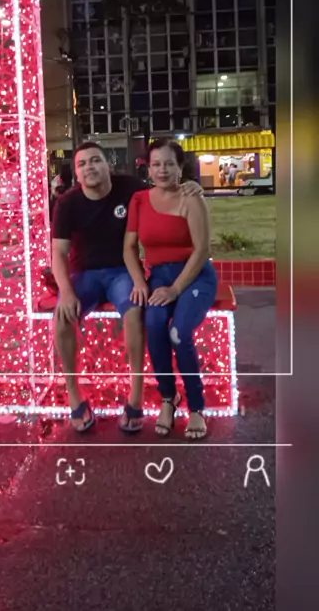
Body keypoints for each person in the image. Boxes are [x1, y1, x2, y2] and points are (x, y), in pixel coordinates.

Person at [52, 141, 202, 434]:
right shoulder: (67, 204)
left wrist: (190, 186)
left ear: (108, 165)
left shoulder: (130, 188)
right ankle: (74, 397)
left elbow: (165, 188)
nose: (89, 167)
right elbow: (58, 253)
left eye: (95, 160)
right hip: (84, 274)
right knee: (62, 317)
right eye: (82, 164)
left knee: (135, 312)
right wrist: (66, 291)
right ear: (76, 174)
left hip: (122, 272)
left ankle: (135, 398)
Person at [123, 138, 217, 440]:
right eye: (156, 164)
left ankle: (196, 407)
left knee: (179, 333)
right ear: (148, 168)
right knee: (154, 326)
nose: (162, 170)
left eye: (169, 164)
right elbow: (129, 248)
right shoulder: (139, 200)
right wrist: (140, 281)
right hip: (159, 277)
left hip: (195, 276)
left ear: (180, 167)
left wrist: (176, 289)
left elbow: (202, 251)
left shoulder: (192, 198)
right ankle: (169, 398)